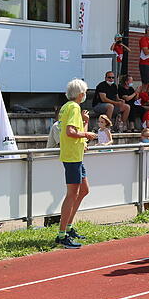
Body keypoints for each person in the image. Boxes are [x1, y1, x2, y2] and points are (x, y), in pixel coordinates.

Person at [56, 79, 96, 249]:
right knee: (72, 194)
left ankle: (69, 227)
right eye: (85, 92)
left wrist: (84, 121)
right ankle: (61, 234)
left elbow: (71, 129)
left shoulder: (68, 107)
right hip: (72, 156)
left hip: (75, 155)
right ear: (81, 94)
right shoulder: (74, 107)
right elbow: (70, 132)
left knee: (84, 190)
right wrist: (87, 134)